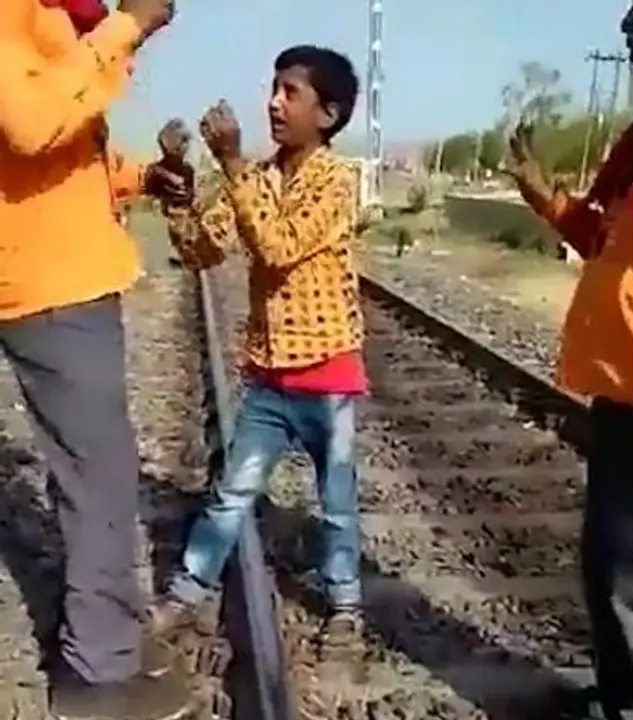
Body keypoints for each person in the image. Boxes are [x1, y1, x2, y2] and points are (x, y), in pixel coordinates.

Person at [0, 0, 200, 716]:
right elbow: (29, 124)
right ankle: (98, 674)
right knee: (98, 479)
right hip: (49, 283)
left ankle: (105, 634)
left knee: (91, 473)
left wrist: (140, 179)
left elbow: (61, 156)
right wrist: (129, 27)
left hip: (60, 270)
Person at [145, 46, 367, 662]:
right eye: (274, 88)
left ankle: (345, 606)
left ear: (327, 114)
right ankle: (185, 594)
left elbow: (278, 244)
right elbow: (200, 251)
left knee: (338, 504)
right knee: (229, 495)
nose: (273, 101)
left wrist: (234, 164)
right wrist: (180, 186)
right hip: (271, 379)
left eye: (289, 92)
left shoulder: (337, 180)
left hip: (328, 377)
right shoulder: (257, 176)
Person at [501, 3, 633, 717]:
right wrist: (544, 197)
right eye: (629, 31)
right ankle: (624, 695)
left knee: (625, 567)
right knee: (611, 565)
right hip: (622, 393)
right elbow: (599, 240)